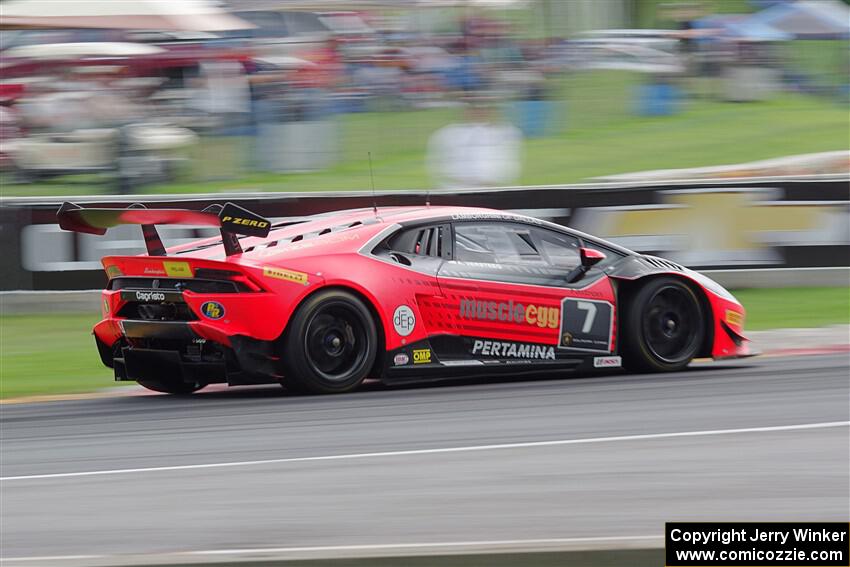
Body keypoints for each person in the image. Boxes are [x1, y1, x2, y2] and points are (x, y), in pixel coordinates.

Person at [427, 101, 522, 189]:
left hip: (492, 191)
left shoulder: (506, 133)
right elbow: (437, 167)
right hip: (457, 190)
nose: (479, 112)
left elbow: (509, 169)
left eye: (484, 108)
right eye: (474, 108)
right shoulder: (447, 134)